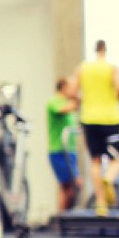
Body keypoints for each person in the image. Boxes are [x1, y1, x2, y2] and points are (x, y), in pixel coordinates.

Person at [65, 39, 119, 216]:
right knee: (118, 158)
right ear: (105, 50)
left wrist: (83, 98)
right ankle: (109, 178)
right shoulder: (111, 68)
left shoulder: (82, 68)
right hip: (110, 118)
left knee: (95, 161)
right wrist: (115, 95)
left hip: (89, 118)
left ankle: (101, 204)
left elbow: (71, 93)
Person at [47, 78, 80, 211]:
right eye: (71, 87)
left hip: (70, 150)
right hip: (59, 150)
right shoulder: (54, 102)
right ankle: (64, 216)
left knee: (67, 187)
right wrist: (79, 98)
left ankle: (64, 217)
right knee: (72, 185)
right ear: (63, 87)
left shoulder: (68, 103)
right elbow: (64, 109)